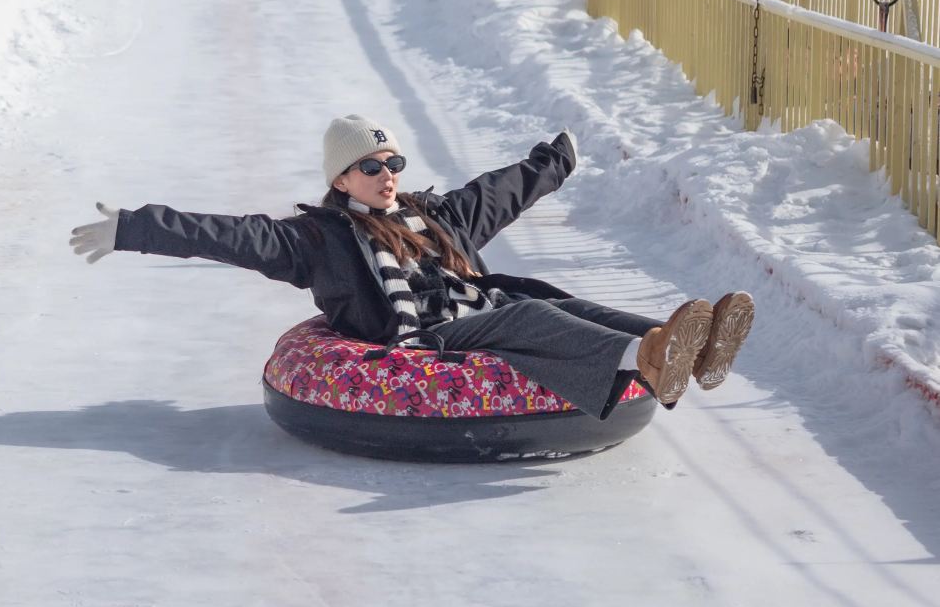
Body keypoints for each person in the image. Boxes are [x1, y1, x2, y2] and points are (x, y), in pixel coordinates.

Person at [69, 116, 755, 422]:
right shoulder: (318, 239)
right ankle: (647, 357)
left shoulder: (434, 217)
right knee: (529, 316)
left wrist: (557, 159)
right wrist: (133, 227)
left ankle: (681, 348)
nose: (386, 174)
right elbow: (228, 235)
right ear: (341, 179)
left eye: (392, 162)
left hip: (478, 312)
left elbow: (498, 193)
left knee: (568, 308)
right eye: (370, 166)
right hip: (423, 339)